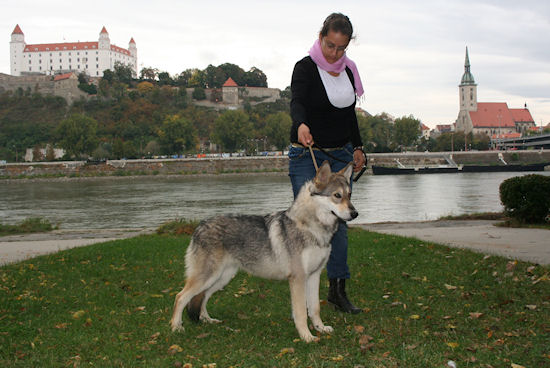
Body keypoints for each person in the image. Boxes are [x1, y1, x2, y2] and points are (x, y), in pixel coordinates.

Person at [288, 12, 366, 314]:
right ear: (322, 37)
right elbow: (297, 102)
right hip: (306, 154)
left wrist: (357, 147)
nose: (334, 53)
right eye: (331, 46)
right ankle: (302, 281)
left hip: (340, 153)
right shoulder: (305, 68)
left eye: (341, 48)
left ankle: (337, 290)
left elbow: (349, 114)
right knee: (304, 222)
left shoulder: (348, 72)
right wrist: (301, 124)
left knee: (339, 222)